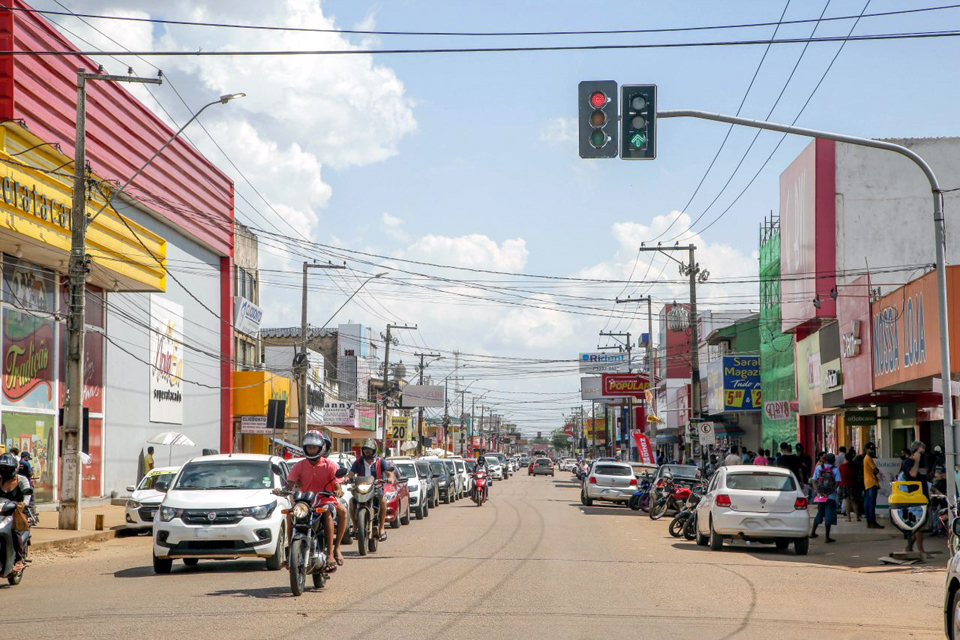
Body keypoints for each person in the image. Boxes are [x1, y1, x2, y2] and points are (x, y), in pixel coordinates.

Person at [283, 430, 346, 571]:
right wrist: (284, 490)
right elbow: (290, 484)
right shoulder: (299, 466)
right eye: (309, 447)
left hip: (325, 500)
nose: (311, 450)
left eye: (314, 447)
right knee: (290, 514)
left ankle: (332, 552)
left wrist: (338, 490)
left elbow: (337, 485)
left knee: (328, 513)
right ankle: (289, 555)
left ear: (321, 448)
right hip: (305, 503)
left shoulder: (330, 465)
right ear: (305, 448)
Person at [346, 439, 396, 543]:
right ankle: (355, 526)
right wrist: (347, 478)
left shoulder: (380, 461)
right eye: (365, 450)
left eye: (369, 451)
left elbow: (388, 472)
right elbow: (351, 473)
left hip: (376, 488)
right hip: (361, 489)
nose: (367, 453)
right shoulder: (358, 461)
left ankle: (382, 528)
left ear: (374, 451)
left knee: (383, 501)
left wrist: (390, 478)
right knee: (351, 501)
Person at [0, 452, 32, 572]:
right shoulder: (0, 479)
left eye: (8, 468)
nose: (5, 470)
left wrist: (23, 503)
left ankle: (18, 559)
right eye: (3, 468)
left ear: (14, 468)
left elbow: (27, 494)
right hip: (1, 512)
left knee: (15, 532)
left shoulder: (21, 480)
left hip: (16, 512)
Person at [899, 455, 929, 560]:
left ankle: (909, 547)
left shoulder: (907, 475)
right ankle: (920, 550)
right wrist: (916, 461)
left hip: (915, 502)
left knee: (917, 527)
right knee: (918, 527)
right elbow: (913, 474)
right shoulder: (906, 475)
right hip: (911, 503)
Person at [809, 453, 841, 543]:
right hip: (831, 496)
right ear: (834, 461)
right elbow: (837, 483)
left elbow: (814, 481)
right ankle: (827, 537)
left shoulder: (819, 467)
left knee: (820, 512)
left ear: (825, 460)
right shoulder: (835, 469)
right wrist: (831, 491)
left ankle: (812, 533)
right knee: (829, 515)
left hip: (821, 496)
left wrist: (817, 491)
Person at [863, 442, 884, 529]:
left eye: (873, 449)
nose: (872, 451)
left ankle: (869, 521)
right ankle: (872, 522)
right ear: (867, 450)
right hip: (872, 482)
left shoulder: (866, 458)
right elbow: (876, 470)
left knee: (868, 503)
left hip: (867, 482)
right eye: (871, 449)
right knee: (872, 503)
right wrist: (876, 470)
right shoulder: (869, 459)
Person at [838, 453, 859, 521]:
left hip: (844, 484)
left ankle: (848, 518)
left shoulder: (841, 466)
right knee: (854, 501)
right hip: (853, 484)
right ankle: (857, 517)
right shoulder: (854, 466)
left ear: (845, 458)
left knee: (846, 501)